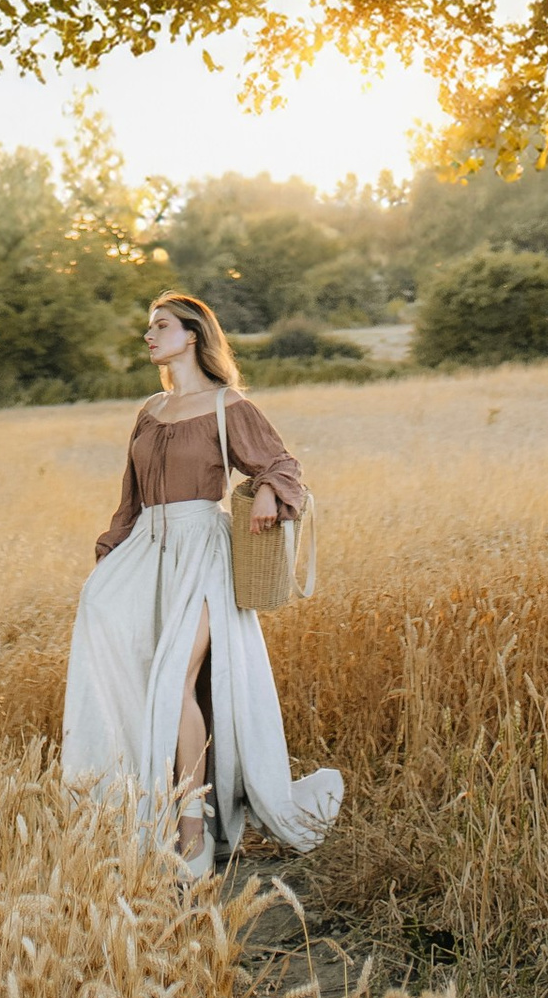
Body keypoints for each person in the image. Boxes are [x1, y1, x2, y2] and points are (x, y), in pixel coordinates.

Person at [61, 291, 344, 875]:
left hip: (203, 554)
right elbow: (129, 501)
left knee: (177, 680)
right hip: (146, 550)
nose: (149, 334)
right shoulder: (148, 411)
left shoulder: (226, 404)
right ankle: (137, 806)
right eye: (148, 326)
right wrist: (110, 555)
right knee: (133, 670)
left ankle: (193, 833)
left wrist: (267, 490)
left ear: (191, 335)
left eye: (160, 325)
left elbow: (281, 464)